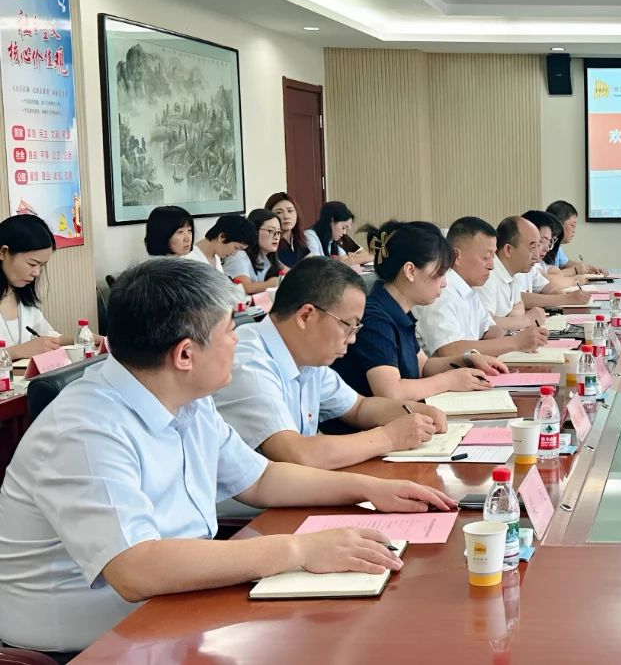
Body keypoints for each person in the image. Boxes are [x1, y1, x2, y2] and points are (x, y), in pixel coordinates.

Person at [0, 258, 454, 659]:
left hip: (175, 607)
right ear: (184, 354)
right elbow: (136, 568)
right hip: (91, 642)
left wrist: (371, 490)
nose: (239, 342)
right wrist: (298, 549)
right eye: (229, 332)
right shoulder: (86, 429)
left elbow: (260, 479)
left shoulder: (188, 399)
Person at [213, 257, 452, 470]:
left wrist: (417, 411)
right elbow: (296, 453)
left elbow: (359, 408)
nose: (353, 338)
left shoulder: (306, 356)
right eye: (349, 326)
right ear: (306, 315)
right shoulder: (249, 361)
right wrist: (388, 437)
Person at [333, 220, 508, 400]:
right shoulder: (375, 318)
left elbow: (424, 366)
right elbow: (391, 392)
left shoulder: (399, 310)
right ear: (410, 271)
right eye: (439, 273)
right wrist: (449, 380)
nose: (444, 283)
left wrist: (466, 359)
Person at [414, 217, 549, 358]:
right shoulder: (442, 290)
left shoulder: (467, 287)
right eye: (486, 257)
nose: (491, 266)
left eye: (492, 257)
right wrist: (515, 342)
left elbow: (488, 330)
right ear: (456, 256)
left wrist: (520, 338)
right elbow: (449, 350)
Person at [0, 214, 93, 359]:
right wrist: (15, 352)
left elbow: (48, 337)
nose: (37, 273)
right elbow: (25, 349)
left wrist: (84, 338)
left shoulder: (20, 296)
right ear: (3, 252)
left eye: (42, 265)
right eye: (32, 264)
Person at [474, 216, 545, 329]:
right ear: (508, 250)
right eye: (532, 247)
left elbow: (519, 305)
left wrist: (511, 319)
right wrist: (527, 320)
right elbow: (485, 325)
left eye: (538, 246)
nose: (537, 256)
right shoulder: (487, 275)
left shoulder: (511, 272)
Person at [518, 209, 591, 305]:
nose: (547, 248)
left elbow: (547, 285)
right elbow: (518, 298)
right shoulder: (515, 264)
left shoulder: (529, 265)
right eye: (543, 240)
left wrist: (557, 294)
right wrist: (566, 299)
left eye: (550, 241)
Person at [223, 209, 284, 296]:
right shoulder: (238, 255)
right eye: (271, 231)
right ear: (255, 231)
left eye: (278, 232)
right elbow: (244, 288)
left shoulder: (266, 257)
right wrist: (271, 283)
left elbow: (288, 272)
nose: (277, 237)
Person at [545, 200, 606, 275]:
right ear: (558, 224)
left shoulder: (556, 244)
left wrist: (589, 268)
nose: (574, 231)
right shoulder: (544, 247)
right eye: (572, 225)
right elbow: (550, 276)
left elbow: (565, 263)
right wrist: (575, 270)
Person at [303, 201, 372, 266]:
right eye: (343, 228)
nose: (344, 233)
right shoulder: (310, 236)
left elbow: (371, 256)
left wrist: (350, 260)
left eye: (346, 229)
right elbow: (316, 267)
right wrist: (349, 261)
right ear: (331, 221)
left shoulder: (337, 238)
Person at [185, 214, 255, 273]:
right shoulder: (190, 260)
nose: (234, 254)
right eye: (236, 248)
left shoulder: (216, 258)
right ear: (222, 237)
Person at [266, 192, 309, 269]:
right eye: (279, 212)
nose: (286, 216)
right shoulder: (269, 244)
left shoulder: (300, 240)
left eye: (290, 211)